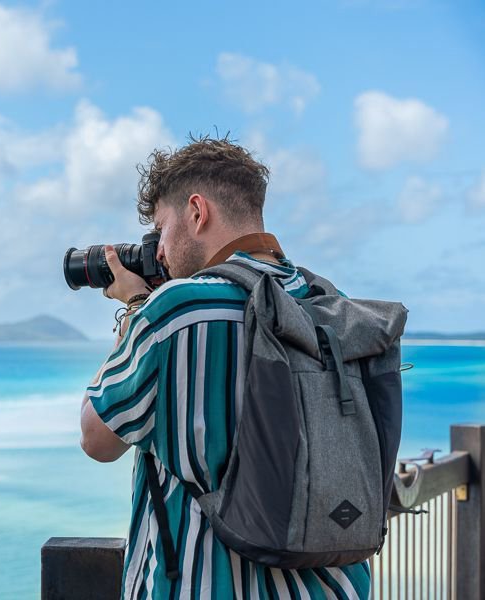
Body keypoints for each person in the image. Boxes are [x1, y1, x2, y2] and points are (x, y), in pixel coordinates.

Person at [80, 136, 371, 599]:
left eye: (160, 230)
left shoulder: (175, 311)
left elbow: (97, 439)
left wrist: (137, 303)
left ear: (197, 212)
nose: (157, 252)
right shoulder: (327, 303)